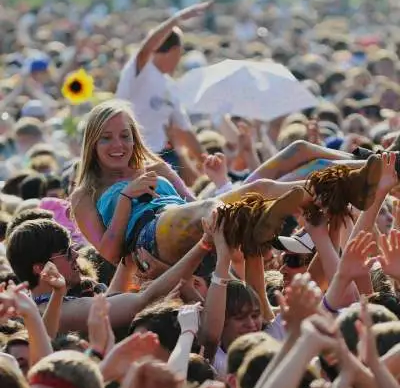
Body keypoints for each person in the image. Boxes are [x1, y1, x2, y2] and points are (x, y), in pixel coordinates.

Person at [72, 101, 382, 269]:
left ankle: (373, 167)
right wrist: (126, 198)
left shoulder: (153, 166)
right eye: (107, 137)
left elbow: (190, 202)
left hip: (188, 221)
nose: (119, 145)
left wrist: (220, 186)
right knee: (234, 200)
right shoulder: (86, 193)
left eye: (125, 135)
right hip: (149, 242)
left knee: (296, 157)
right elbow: (111, 254)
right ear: (92, 143)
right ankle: (314, 200)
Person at [115, 2, 210, 167]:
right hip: (129, 156)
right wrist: (176, 19)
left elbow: (186, 131)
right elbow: (146, 48)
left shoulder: (170, 86)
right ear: (175, 51)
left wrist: (206, 163)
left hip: (159, 158)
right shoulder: (140, 70)